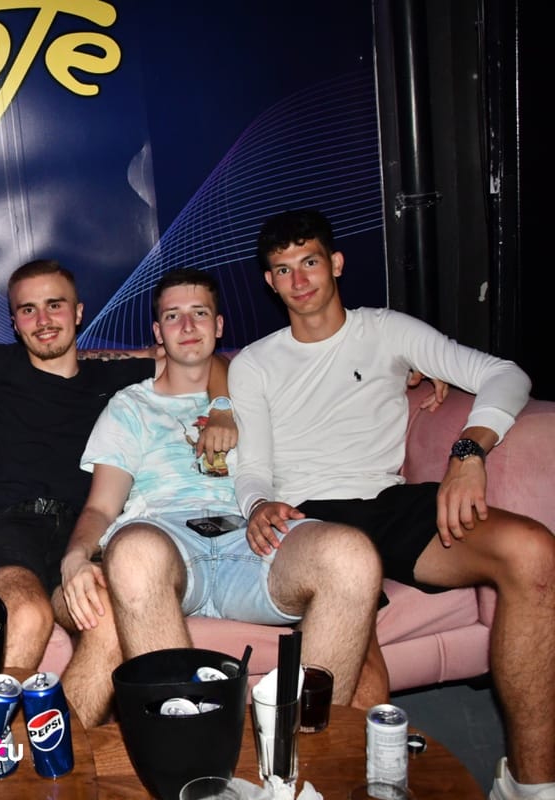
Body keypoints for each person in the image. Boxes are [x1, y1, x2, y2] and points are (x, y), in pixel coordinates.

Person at [230, 209, 555, 800]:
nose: (299, 280)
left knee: (534, 552)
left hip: (388, 501)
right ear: (270, 283)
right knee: (365, 683)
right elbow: (252, 467)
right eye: (282, 269)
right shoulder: (254, 364)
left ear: (335, 263)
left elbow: (505, 374)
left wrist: (468, 451)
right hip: (311, 518)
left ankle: (531, 786)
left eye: (309, 261)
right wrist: (257, 504)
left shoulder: (388, 330)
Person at [0, 260, 235, 671]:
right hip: (9, 530)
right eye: (28, 309)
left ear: (78, 313)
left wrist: (221, 407)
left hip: (83, 535)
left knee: (106, 618)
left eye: (54, 305)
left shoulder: (110, 375)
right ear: (14, 323)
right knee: (27, 613)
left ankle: (57, 717)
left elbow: (207, 361)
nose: (43, 320)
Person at [57, 268, 381, 725]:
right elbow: (101, 507)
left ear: (219, 325)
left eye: (200, 313)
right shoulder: (130, 406)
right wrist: (75, 555)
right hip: (167, 541)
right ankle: (190, 752)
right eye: (173, 316)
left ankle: (299, 754)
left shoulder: (254, 394)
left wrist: (404, 369)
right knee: (132, 552)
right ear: (158, 332)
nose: (188, 326)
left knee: (352, 554)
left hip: (250, 538)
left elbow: (341, 389)